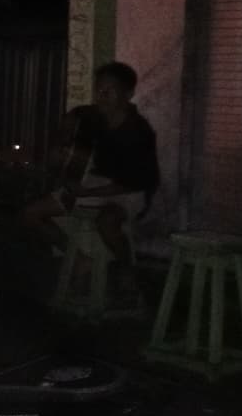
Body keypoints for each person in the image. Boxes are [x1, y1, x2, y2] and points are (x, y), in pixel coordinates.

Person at [22, 61, 159, 266]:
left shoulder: (139, 131)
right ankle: (80, 260)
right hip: (92, 185)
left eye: (109, 91)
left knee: (107, 223)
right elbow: (73, 119)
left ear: (128, 94)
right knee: (31, 214)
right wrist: (60, 146)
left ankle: (128, 271)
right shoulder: (90, 116)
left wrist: (87, 192)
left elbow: (132, 182)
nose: (102, 96)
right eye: (99, 90)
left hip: (129, 192)